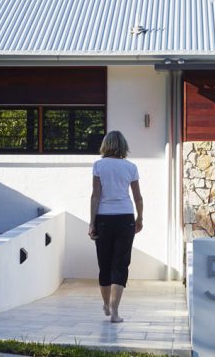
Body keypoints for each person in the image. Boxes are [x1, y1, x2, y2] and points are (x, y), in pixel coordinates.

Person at [89, 130, 143, 323]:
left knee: (104, 263)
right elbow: (138, 197)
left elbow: (95, 195)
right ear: (123, 145)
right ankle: (115, 311)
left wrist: (92, 222)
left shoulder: (99, 165)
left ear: (106, 144)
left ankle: (106, 304)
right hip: (125, 218)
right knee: (120, 264)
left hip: (103, 218)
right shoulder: (131, 167)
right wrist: (140, 218)